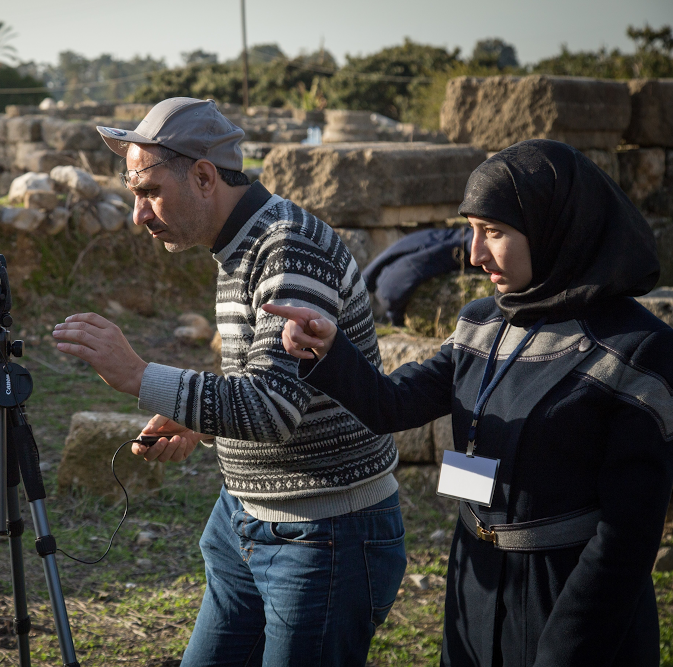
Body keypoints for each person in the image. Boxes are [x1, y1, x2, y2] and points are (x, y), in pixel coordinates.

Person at [266, 139, 673, 667]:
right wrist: (329, 348)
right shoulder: (483, 322)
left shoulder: (635, 351)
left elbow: (627, 537)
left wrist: (567, 648)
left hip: (570, 600)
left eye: (495, 232)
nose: (476, 255)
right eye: (473, 231)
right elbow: (396, 404)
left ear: (556, 226)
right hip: (474, 585)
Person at [52, 97, 406, 666]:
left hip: (324, 537)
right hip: (243, 523)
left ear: (203, 175)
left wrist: (140, 375)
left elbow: (271, 407)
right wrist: (201, 422)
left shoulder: (289, 248)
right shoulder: (241, 245)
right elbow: (282, 388)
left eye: (148, 192)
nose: (138, 214)